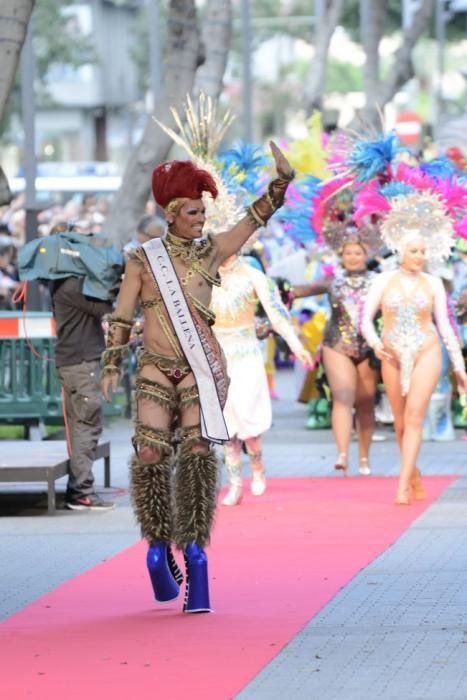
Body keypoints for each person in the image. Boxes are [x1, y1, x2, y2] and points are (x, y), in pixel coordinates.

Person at [101, 142, 295, 613]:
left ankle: (195, 552)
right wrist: (110, 363)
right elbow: (123, 316)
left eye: (202, 211)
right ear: (171, 213)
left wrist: (281, 183)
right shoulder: (143, 260)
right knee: (149, 452)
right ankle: (156, 544)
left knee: (196, 451)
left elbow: (252, 220)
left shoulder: (212, 252)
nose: (200, 219)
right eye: (192, 211)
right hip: (152, 369)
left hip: (198, 370)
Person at [360, 193, 467, 505]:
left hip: (427, 350)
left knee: (416, 416)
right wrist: (377, 344)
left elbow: (445, 325)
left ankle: (402, 485)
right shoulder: (383, 280)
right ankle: (414, 475)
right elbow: (365, 319)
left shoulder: (433, 283)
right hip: (391, 354)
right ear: (401, 251)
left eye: (423, 251)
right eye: (413, 251)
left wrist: (459, 366)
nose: (419, 256)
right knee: (401, 421)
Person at [211, 254, 312, 506]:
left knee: (247, 416)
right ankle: (235, 484)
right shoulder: (204, 273)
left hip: (246, 355)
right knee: (224, 424)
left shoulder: (253, 275)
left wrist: (296, 345)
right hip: (216, 356)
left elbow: (277, 314)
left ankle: (257, 464)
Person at [294, 238, 378, 475]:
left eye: (357, 252)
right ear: (341, 256)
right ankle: (342, 455)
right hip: (336, 344)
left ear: (365, 254)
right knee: (343, 397)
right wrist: (275, 289)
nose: (352, 257)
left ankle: (364, 458)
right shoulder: (333, 281)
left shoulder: (378, 282)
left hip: (368, 347)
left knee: (365, 401)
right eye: (348, 252)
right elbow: (303, 290)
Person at [52, 275, 116, 511]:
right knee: (86, 426)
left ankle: (77, 488)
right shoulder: (72, 285)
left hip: (72, 362)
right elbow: (103, 307)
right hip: (81, 363)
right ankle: (82, 492)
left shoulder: (59, 283)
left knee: (79, 424)